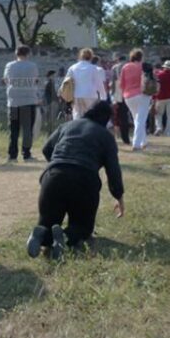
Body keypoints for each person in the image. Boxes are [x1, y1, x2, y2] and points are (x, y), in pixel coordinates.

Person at [28, 100, 125, 261]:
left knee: (48, 221)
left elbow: (46, 149)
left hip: (53, 176)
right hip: (84, 180)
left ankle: (41, 235)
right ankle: (66, 237)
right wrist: (119, 196)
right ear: (106, 118)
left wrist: (58, 165)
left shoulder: (67, 126)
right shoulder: (106, 136)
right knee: (82, 227)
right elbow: (113, 171)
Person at [3, 45, 40, 161]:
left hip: (13, 101)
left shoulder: (9, 65)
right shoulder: (32, 66)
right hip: (28, 100)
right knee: (27, 129)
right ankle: (26, 153)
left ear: (16, 53)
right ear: (28, 54)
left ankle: (12, 155)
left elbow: (5, 80)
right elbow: (35, 79)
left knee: (13, 129)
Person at [120, 50, 152, 152]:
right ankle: (136, 144)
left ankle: (144, 141)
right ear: (141, 57)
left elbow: (122, 83)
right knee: (140, 120)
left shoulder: (125, 67)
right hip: (142, 94)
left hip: (128, 96)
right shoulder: (144, 66)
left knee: (137, 119)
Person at [68, 48, 106, 120]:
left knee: (77, 116)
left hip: (77, 94)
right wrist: (103, 97)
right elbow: (99, 83)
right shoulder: (93, 68)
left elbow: (67, 81)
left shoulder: (72, 68)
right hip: (90, 94)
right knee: (91, 116)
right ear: (91, 57)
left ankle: (77, 130)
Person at [154, 61, 170, 136]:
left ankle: (159, 127)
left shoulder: (159, 75)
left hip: (160, 97)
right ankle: (168, 131)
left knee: (158, 114)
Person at [110, 55, 131, 144]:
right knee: (128, 115)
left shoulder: (115, 68)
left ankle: (123, 137)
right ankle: (127, 137)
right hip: (129, 91)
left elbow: (113, 82)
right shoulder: (129, 66)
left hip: (119, 92)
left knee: (121, 116)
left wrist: (113, 95)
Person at [42, 70, 59, 134]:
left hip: (49, 102)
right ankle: (50, 131)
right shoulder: (50, 83)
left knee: (49, 118)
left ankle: (49, 130)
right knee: (51, 118)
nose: (55, 76)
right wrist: (57, 100)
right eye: (54, 75)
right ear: (51, 75)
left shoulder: (47, 82)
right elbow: (53, 93)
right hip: (52, 102)